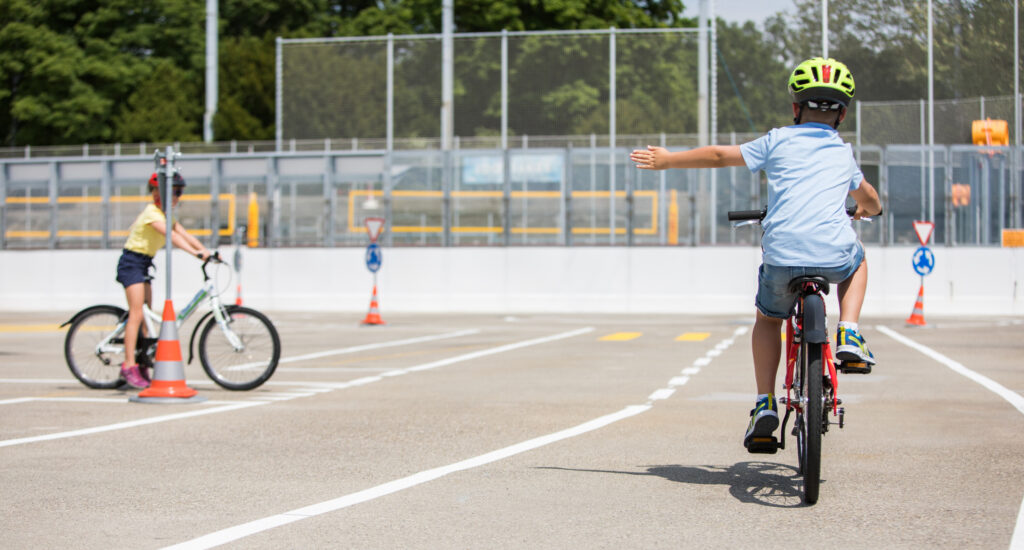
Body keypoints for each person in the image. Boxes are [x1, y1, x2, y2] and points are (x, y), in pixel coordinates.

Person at [629, 57, 882, 451]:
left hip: (782, 257)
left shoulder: (778, 139)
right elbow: (868, 198)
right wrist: (871, 208)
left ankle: (764, 402)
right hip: (833, 254)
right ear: (842, 115)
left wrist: (668, 160)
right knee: (859, 258)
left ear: (795, 108)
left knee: (768, 319)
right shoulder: (842, 151)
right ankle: (849, 330)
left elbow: (716, 155)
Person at [115, 172, 211, 388]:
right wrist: (196, 255)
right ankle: (128, 365)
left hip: (145, 263)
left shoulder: (165, 214)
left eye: (180, 193)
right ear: (161, 193)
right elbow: (173, 237)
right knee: (137, 313)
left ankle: (142, 363)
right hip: (131, 263)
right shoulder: (153, 214)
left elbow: (184, 234)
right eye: (176, 192)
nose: (178, 196)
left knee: (147, 316)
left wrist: (206, 251)